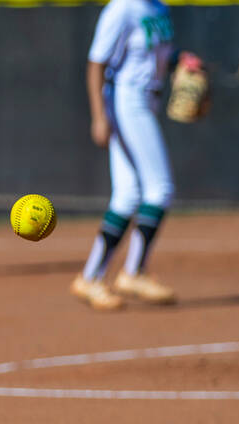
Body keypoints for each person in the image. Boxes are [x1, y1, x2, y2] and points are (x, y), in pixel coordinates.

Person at [74, 0, 186, 311]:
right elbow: (96, 63)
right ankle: (133, 272)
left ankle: (91, 278)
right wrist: (99, 116)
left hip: (148, 99)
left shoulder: (158, 8)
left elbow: (157, 53)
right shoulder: (122, 8)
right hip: (126, 100)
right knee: (160, 189)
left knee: (127, 195)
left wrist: (181, 59)